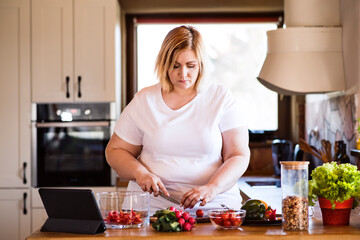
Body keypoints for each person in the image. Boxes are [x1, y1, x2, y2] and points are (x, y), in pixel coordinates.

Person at [105, 25, 250, 214]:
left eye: (191, 66)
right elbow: (115, 151)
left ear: (201, 65)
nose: (183, 74)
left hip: (213, 208)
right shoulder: (145, 100)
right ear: (164, 64)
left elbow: (238, 155)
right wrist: (140, 173)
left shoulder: (220, 97)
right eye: (175, 65)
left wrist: (212, 187)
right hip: (152, 209)